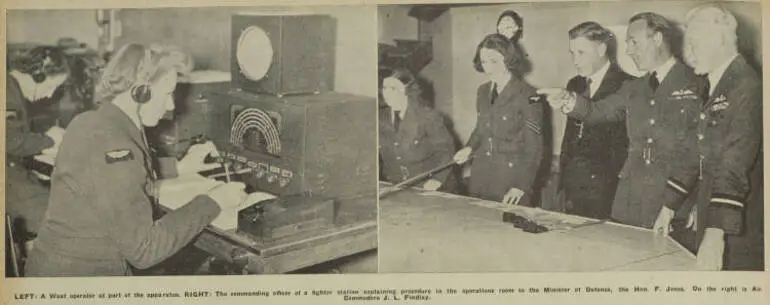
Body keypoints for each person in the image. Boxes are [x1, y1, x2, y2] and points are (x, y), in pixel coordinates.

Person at [25, 43, 247, 277]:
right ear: (142, 91)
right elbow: (145, 250)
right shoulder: (115, 145)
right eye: (168, 93)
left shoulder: (92, 121)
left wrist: (178, 167)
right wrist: (214, 201)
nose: (171, 105)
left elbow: (120, 174)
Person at [537, 12, 705, 228]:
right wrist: (566, 98)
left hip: (673, 205)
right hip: (630, 204)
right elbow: (595, 111)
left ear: (657, 39)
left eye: (634, 42)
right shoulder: (634, 88)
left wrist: (699, 202)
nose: (628, 50)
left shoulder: (697, 84)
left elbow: (705, 151)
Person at [653, 5, 763, 271]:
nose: (688, 52)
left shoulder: (746, 86)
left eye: (695, 43)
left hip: (737, 222)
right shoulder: (714, 86)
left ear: (720, 40)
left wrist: (715, 234)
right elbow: (693, 148)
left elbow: (734, 163)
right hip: (713, 213)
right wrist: (669, 205)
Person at [548, 22, 632, 219]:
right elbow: (570, 136)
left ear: (601, 49)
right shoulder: (574, 84)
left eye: (581, 53)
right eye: (572, 53)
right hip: (572, 183)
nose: (575, 60)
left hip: (607, 188)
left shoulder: (626, 84)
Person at [453, 33, 544, 206]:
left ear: (508, 60)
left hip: (510, 181)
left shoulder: (529, 95)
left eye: (494, 61)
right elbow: (481, 127)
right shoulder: (482, 91)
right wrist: (469, 147)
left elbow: (534, 148)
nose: (488, 68)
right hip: (480, 176)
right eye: (484, 62)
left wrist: (521, 185)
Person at [5, 46, 69, 235]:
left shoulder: (11, 89)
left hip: (10, 174)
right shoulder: (8, 94)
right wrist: (49, 140)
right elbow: (10, 141)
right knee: (60, 218)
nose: (49, 95)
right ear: (38, 75)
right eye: (50, 87)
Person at [378, 68, 458, 192]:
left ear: (408, 90)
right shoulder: (380, 117)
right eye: (385, 88)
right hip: (396, 186)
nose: (387, 93)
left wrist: (437, 179)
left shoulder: (428, 116)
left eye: (393, 89)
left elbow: (446, 151)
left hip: (430, 186)